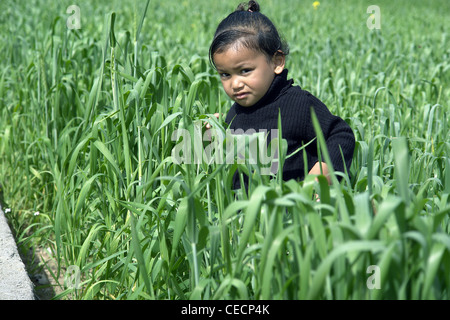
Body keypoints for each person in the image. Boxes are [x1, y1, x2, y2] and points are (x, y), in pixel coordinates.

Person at [208, 0, 355, 190]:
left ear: (277, 62)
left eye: (245, 71)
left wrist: (322, 174)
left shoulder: (298, 104)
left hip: (298, 211)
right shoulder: (234, 115)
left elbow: (342, 135)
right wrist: (214, 140)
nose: (235, 84)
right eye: (225, 74)